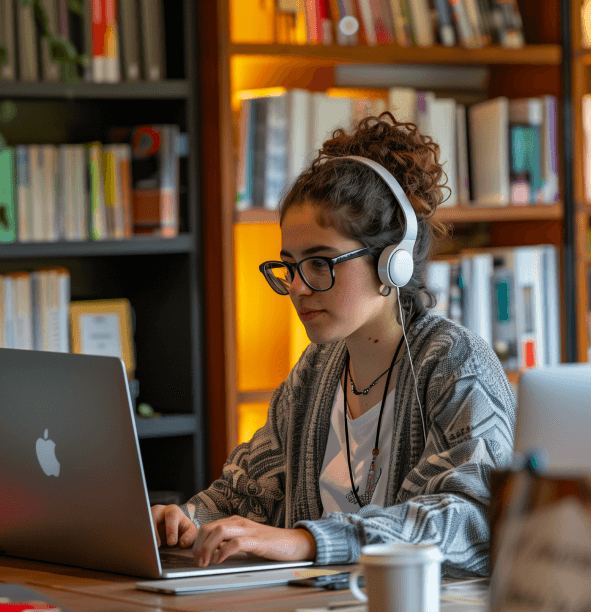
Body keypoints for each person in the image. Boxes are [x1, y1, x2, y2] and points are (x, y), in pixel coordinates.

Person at [151, 112, 516, 578]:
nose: (299, 287)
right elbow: (245, 494)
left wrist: (307, 541)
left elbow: (471, 517)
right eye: (289, 265)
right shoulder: (316, 370)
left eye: (321, 263)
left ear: (392, 264)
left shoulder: (456, 364)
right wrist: (188, 521)